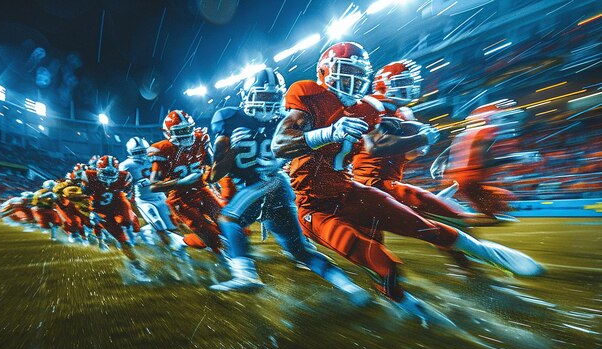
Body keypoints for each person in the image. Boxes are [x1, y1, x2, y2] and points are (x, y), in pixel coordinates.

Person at [271, 41, 544, 317]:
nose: (352, 80)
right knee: (385, 263)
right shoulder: (308, 94)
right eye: (345, 72)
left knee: (423, 226)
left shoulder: (366, 108)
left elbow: (384, 133)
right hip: (315, 205)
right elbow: (280, 145)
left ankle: (489, 254)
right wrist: (328, 133)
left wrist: (416, 134)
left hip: (350, 191)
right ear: (324, 71)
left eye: (357, 73)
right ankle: (409, 308)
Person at [207, 67, 370, 305]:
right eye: (263, 96)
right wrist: (234, 149)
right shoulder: (231, 119)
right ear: (247, 96)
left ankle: (245, 275)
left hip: (269, 182)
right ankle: (350, 288)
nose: (268, 103)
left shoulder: (286, 120)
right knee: (299, 250)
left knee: (228, 220)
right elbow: (215, 174)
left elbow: (304, 149)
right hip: (275, 187)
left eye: (273, 97)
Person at [352, 60, 494, 228]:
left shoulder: (401, 112)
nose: (409, 87)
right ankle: (461, 218)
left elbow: (405, 155)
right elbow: (376, 147)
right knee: (425, 210)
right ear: (384, 84)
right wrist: (421, 139)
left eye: (410, 82)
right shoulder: (370, 105)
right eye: (403, 82)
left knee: (430, 225)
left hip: (386, 180)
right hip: (369, 181)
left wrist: (416, 149)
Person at [148, 111, 225, 257]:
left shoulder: (200, 139)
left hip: (202, 189)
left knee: (227, 223)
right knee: (211, 237)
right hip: (180, 198)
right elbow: (154, 186)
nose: (186, 135)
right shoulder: (163, 149)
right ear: (168, 133)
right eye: (180, 131)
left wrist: (215, 181)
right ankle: (183, 242)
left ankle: (230, 254)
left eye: (188, 129)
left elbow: (211, 163)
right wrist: (182, 182)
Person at [440, 101, 534, 219]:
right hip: (467, 182)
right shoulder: (481, 134)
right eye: (503, 118)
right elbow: (486, 163)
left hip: (461, 181)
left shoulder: (467, 135)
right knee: (500, 205)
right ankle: (459, 216)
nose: (505, 123)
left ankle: (459, 210)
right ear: (487, 119)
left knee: (503, 203)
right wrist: (514, 158)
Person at [119, 136, 193, 270]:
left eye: (143, 151)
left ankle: (179, 252)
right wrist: (133, 185)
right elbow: (123, 185)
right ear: (130, 152)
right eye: (137, 152)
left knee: (172, 226)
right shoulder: (126, 165)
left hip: (160, 197)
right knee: (159, 225)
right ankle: (172, 250)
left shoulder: (154, 157)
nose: (142, 155)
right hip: (145, 200)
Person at [82, 155, 151, 282]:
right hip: (101, 211)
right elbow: (85, 194)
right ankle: (136, 266)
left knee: (130, 223)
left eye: (111, 172)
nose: (108, 176)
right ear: (98, 170)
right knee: (123, 240)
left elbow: (128, 194)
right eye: (105, 172)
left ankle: (135, 226)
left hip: (118, 204)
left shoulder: (124, 176)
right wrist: (91, 211)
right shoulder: (88, 175)